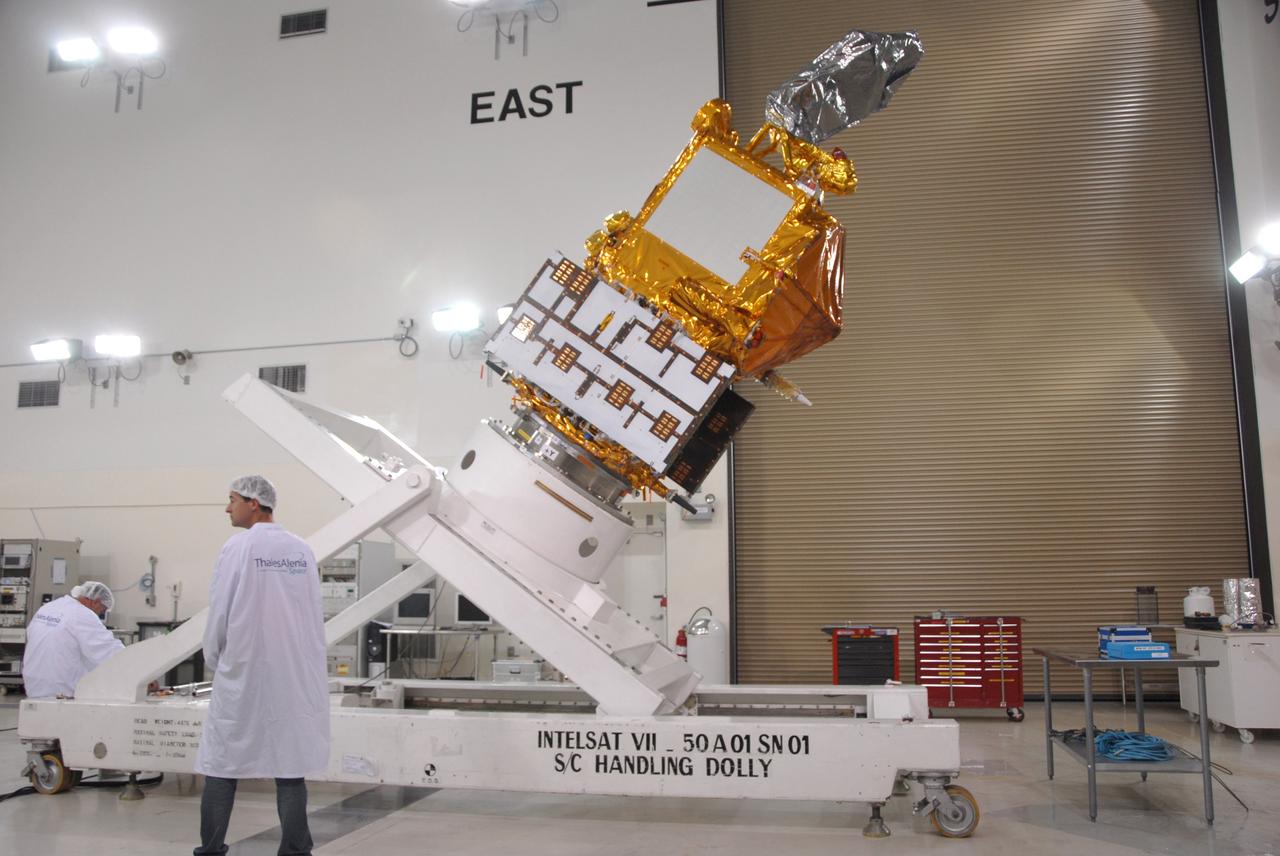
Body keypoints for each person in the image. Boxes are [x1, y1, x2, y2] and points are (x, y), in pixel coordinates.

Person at [194, 476, 330, 856]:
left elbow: (220, 610)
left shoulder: (238, 547)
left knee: (222, 762)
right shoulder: (300, 549)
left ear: (253, 503)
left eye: (232, 499)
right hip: (293, 674)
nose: (228, 508)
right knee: (289, 764)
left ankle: (211, 848)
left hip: (243, 673)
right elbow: (313, 614)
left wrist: (215, 658)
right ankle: (296, 849)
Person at [22, 580, 124, 698]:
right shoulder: (82, 614)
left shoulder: (49, 607)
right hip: (61, 691)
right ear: (96, 602)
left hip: (33, 687)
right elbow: (108, 650)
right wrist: (134, 665)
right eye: (102, 610)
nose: (99, 615)